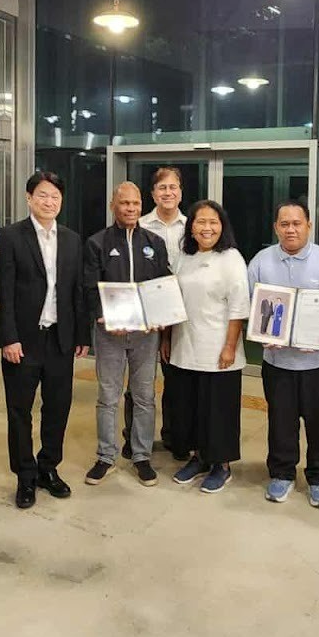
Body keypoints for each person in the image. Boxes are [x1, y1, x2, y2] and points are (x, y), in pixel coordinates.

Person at [0, 171, 89, 509]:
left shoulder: (72, 239)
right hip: (23, 340)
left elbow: (76, 291)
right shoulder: (9, 237)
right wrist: (8, 337)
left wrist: (81, 335)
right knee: (20, 411)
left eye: (55, 197)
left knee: (58, 408)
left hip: (60, 340)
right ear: (29, 197)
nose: (50, 202)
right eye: (43, 196)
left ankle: (49, 468)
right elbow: (2, 290)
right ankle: (25, 476)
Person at [247, 200, 319, 508]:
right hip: (278, 362)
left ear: (309, 226)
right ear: (276, 227)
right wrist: (262, 333)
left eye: (297, 223)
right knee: (280, 421)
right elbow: (250, 307)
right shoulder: (261, 262)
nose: (291, 229)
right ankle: (282, 474)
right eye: (284, 224)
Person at [83, 181, 171, 485]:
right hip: (110, 334)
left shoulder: (154, 243)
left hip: (146, 335)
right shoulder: (97, 243)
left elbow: (164, 283)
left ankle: (141, 455)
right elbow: (90, 287)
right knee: (108, 396)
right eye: (124, 203)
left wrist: (162, 314)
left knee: (145, 396)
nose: (131, 209)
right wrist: (102, 316)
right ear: (113, 206)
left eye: (135, 203)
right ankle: (105, 455)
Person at [167, 200, 249, 493]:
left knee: (219, 410)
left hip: (218, 350)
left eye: (213, 222)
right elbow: (171, 300)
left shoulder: (231, 258)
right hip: (185, 346)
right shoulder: (183, 257)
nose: (207, 228)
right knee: (190, 407)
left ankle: (221, 465)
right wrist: (166, 339)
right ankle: (198, 458)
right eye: (200, 222)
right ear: (191, 227)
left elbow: (239, 308)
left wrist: (229, 347)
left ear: (222, 226)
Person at [135, 166, 188, 459]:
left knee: (176, 379)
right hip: (144, 312)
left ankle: (174, 437)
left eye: (173, 187)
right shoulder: (140, 225)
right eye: (162, 188)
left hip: (180, 313)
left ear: (180, 192)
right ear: (153, 193)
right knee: (141, 381)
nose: (168, 193)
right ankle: (135, 440)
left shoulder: (191, 226)